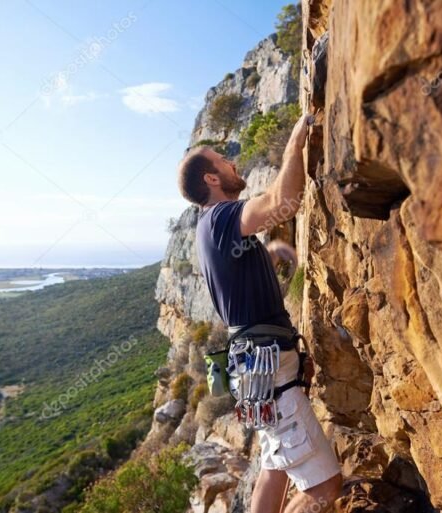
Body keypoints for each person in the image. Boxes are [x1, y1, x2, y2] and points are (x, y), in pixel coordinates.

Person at [177, 113, 342, 512]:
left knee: (275, 467)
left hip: (255, 368)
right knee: (327, 489)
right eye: (223, 160)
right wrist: (294, 145)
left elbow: (231, 276)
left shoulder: (208, 227)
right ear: (211, 179)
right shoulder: (220, 218)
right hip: (269, 366)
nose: (232, 163)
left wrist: (266, 255)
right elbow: (281, 205)